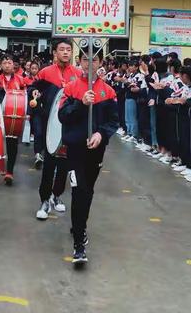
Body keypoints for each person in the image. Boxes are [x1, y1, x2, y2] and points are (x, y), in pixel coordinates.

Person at [58, 48, 118, 264]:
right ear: (79, 62)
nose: (90, 63)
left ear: (100, 62)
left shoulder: (108, 92)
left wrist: (101, 134)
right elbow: (62, 116)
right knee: (78, 189)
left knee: (88, 190)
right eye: (85, 59)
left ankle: (79, 224)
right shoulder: (71, 88)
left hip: (96, 151)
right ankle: (79, 244)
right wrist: (80, 104)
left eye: (94, 60)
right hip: (74, 149)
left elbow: (113, 121)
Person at [31, 38, 82, 220]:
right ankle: (44, 199)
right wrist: (34, 93)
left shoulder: (77, 73)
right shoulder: (45, 73)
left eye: (69, 49)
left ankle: (56, 195)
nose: (66, 52)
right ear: (54, 52)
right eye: (62, 49)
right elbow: (34, 88)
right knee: (49, 163)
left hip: (70, 124)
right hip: (50, 124)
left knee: (65, 164)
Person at [0, 54, 26, 185]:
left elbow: (26, 97)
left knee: (12, 144)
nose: (7, 65)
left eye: (9, 63)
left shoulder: (21, 80)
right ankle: (1, 165)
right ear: (1, 65)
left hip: (13, 118)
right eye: (5, 63)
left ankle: (10, 171)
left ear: (14, 65)